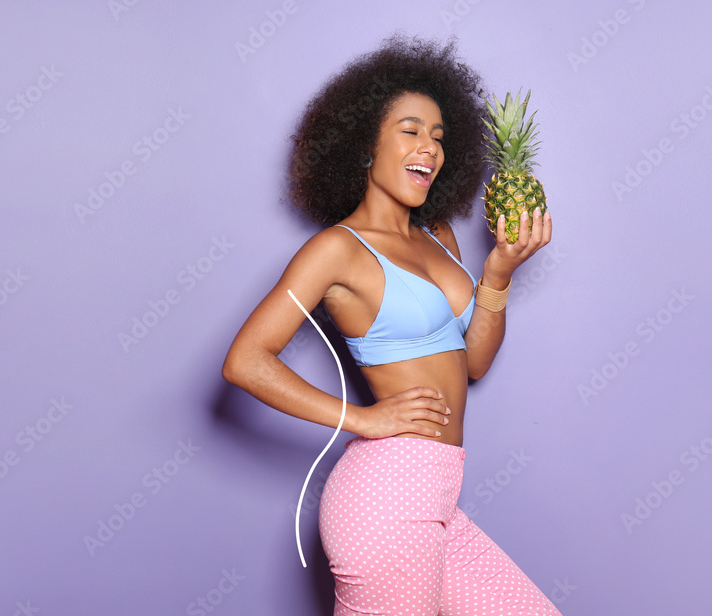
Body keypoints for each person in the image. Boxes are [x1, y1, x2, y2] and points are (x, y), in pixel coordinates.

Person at [223, 35, 561, 616]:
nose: (429, 148)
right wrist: (363, 418)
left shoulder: (440, 238)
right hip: (384, 497)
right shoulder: (337, 250)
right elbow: (245, 361)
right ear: (364, 146)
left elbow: (472, 362)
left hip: (437, 497)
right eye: (411, 130)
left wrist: (498, 274)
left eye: (438, 136)